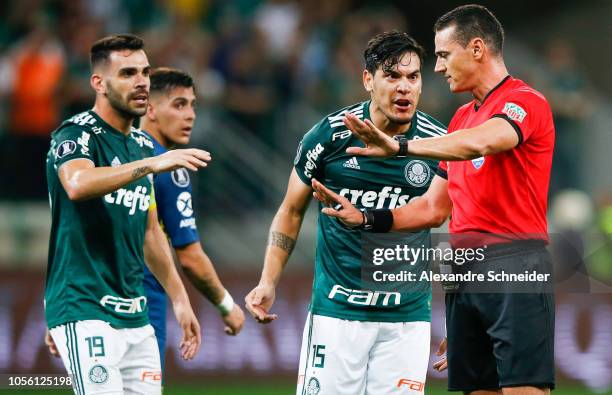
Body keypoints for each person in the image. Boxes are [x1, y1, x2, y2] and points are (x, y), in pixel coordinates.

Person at [312, 5, 555, 395]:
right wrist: (367, 219)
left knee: (523, 390)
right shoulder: (459, 119)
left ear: (476, 48)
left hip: (515, 266)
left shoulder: (525, 101)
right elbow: (432, 207)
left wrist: (401, 146)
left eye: (443, 54)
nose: (438, 67)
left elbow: (485, 141)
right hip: (464, 271)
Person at [245, 31, 447, 395]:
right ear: (368, 80)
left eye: (413, 77)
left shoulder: (436, 143)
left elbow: (456, 222)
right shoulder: (330, 136)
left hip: (407, 319)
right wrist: (268, 279)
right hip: (337, 315)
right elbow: (291, 210)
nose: (404, 88)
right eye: (392, 76)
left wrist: (464, 314)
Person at [44, 34, 209, 395]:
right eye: (128, 73)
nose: (141, 82)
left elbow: (150, 231)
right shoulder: (76, 134)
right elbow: (77, 182)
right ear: (99, 83)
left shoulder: (137, 145)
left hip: (135, 316)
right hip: (85, 307)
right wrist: (151, 164)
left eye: (145, 72)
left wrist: (181, 302)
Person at [139, 67, 245, 371]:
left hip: (91, 304)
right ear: (150, 109)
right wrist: (226, 305)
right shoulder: (169, 168)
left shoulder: (114, 157)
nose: (190, 115)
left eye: (193, 105)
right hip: (144, 306)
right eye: (179, 104)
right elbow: (190, 256)